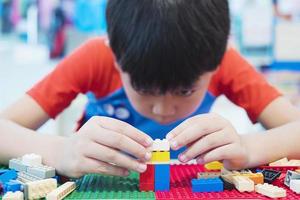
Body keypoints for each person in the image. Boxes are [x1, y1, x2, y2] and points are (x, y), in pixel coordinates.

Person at [1, 0, 300, 178]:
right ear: (116, 58)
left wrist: (248, 148)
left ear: (217, 61)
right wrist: (60, 150)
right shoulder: (95, 57)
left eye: (185, 91)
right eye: (143, 88)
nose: (163, 110)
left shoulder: (223, 61)